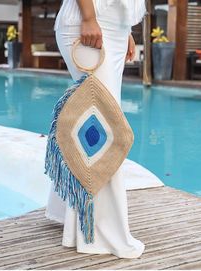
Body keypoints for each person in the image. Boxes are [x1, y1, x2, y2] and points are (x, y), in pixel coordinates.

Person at [45, 0, 147, 258]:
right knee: (104, 129)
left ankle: (71, 214)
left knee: (97, 122)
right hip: (87, 21)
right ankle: (98, 231)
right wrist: (89, 16)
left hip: (114, 28)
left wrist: (127, 31)